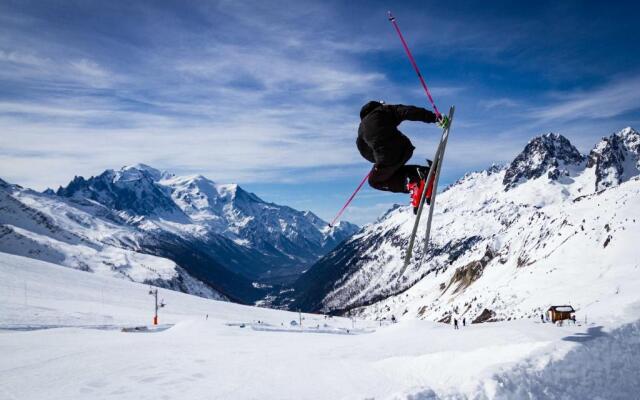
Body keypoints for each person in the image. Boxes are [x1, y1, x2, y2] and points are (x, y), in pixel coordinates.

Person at [357, 101, 447, 206]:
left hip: (386, 156)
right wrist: (434, 117)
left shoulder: (361, 129)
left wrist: (378, 161)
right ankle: (422, 174)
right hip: (405, 148)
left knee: (375, 181)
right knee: (393, 169)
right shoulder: (385, 110)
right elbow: (408, 111)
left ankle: (413, 182)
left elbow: (364, 151)